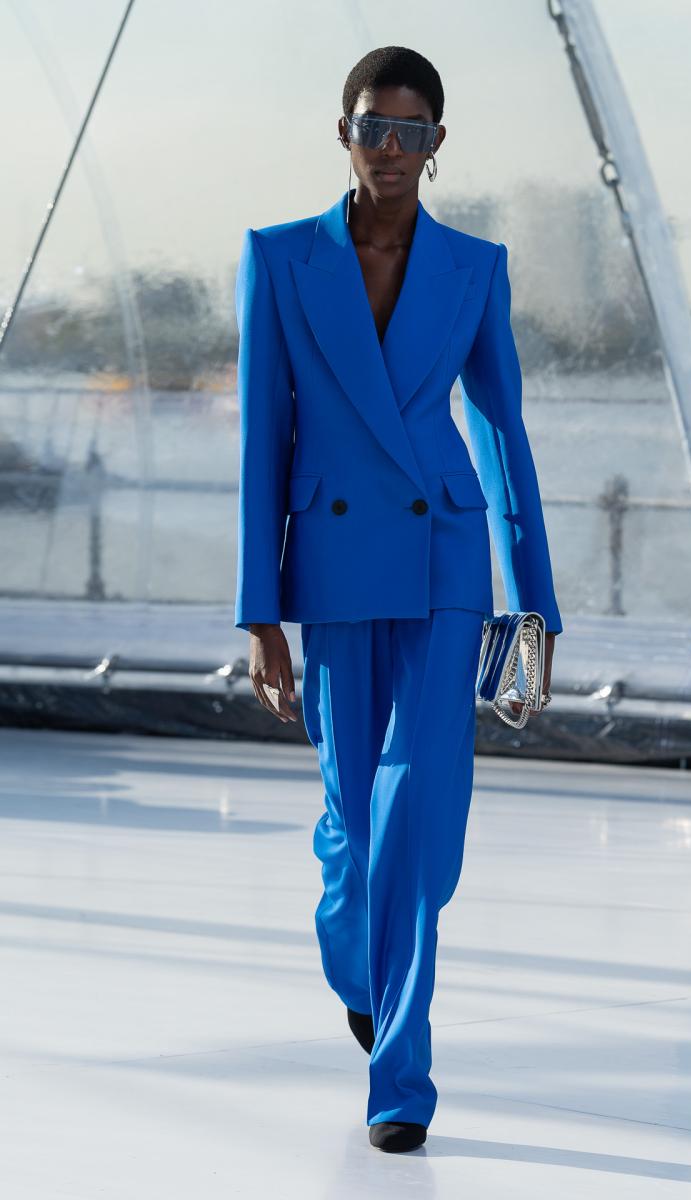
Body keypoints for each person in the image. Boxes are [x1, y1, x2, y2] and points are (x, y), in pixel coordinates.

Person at [234, 45, 563, 1154]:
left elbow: (502, 435)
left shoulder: (474, 267)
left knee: (419, 814)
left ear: (435, 146)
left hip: (443, 561)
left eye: (410, 132)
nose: (389, 148)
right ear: (344, 133)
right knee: (351, 816)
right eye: (373, 126)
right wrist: (260, 613)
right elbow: (263, 443)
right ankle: (359, 961)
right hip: (332, 567)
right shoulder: (280, 259)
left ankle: (401, 1078)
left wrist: (535, 608)